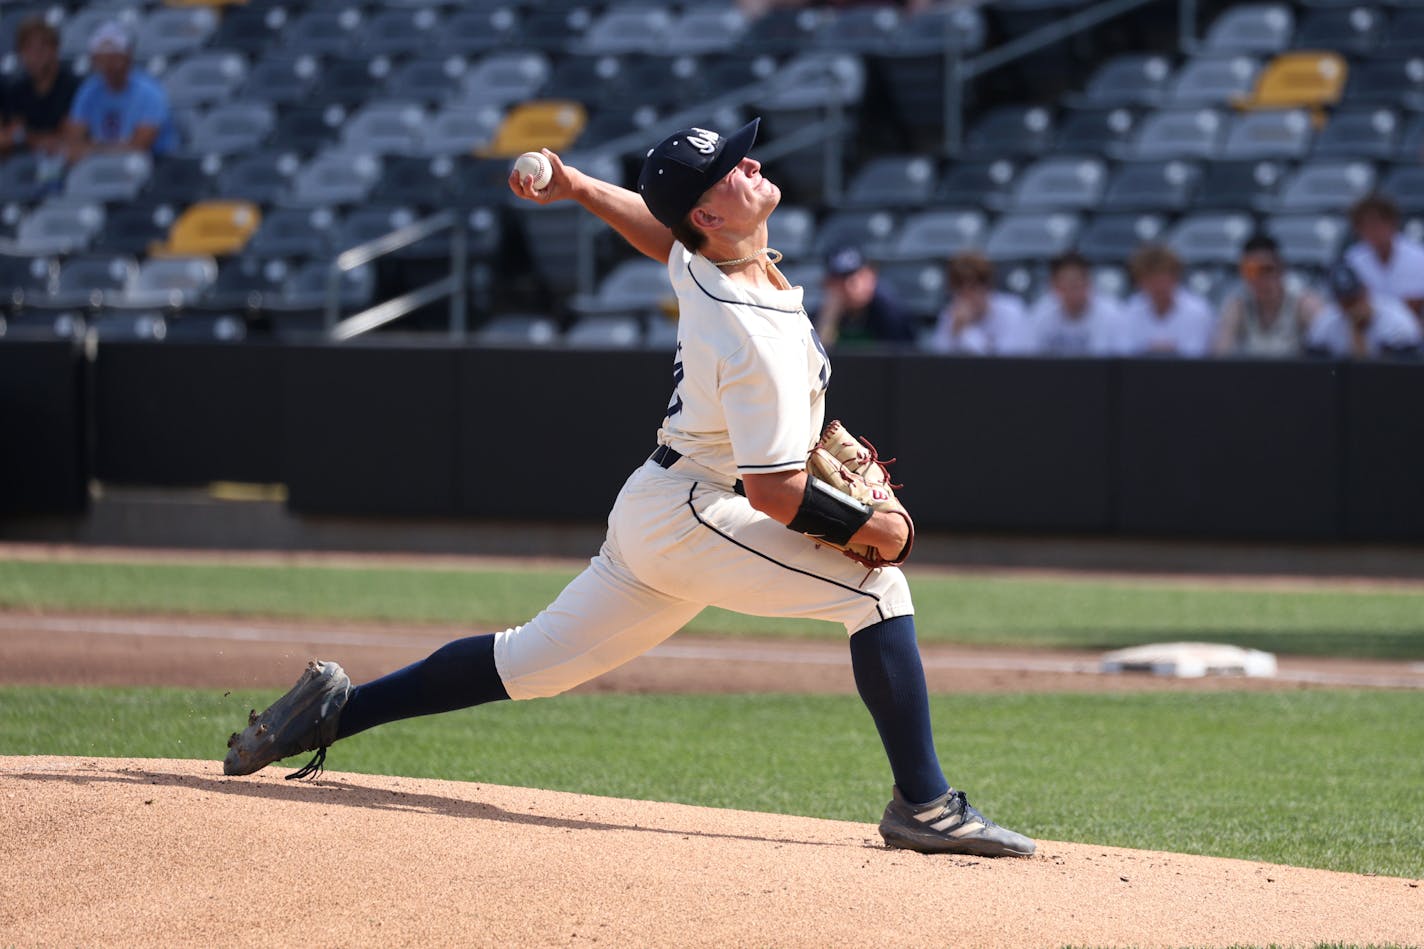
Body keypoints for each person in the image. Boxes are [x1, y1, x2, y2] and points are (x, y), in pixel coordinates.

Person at [222, 118, 1036, 859]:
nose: (750, 162)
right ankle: (924, 805)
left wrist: (576, 185)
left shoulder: (714, 258)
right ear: (712, 218)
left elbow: (663, 235)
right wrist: (877, 529)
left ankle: (336, 709)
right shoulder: (749, 328)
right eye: (727, 169)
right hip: (701, 512)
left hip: (664, 504)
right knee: (878, 588)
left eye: (737, 155)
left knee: (531, 660)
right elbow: (775, 492)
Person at [62, 21, 178, 162]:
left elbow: (138, 148)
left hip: (154, 166)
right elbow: (74, 143)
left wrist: (93, 149)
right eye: (102, 59)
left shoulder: (150, 92)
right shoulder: (89, 91)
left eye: (114, 58)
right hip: (101, 168)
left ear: (127, 57)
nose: (108, 65)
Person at [1212, 235, 1325, 358]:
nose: (1259, 279)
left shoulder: (1303, 303)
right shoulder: (1238, 305)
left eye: (1267, 269)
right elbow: (1219, 356)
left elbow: (1330, 353)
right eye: (1250, 271)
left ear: (1281, 268)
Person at [1114, 244, 1215, 357]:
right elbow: (1124, 356)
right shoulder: (1129, 311)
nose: (1158, 286)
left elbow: (1199, 357)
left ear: (1175, 277)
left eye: (1162, 278)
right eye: (1151, 280)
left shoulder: (1198, 311)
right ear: (1139, 281)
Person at [925, 251, 1034, 355]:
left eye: (973, 288)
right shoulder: (950, 315)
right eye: (959, 289)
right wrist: (956, 329)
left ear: (988, 286)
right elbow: (938, 361)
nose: (966, 296)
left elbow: (1003, 363)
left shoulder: (1012, 311)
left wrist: (966, 331)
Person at [1305, 261, 1421, 359]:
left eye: (1355, 298)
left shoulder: (1396, 320)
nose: (1352, 306)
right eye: (1345, 302)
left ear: (1366, 290)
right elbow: (1314, 370)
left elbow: (1397, 375)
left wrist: (1358, 333)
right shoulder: (1326, 321)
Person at [0, 17, 79, 157]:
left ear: (55, 49)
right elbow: (9, 136)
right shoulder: (16, 90)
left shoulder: (73, 87)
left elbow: (69, 136)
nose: (35, 56)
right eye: (28, 49)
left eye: (42, 48)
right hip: (24, 165)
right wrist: (34, 139)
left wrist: (26, 136)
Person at [812, 244, 916, 347]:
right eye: (841, 280)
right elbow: (817, 358)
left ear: (871, 275)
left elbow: (903, 356)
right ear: (828, 283)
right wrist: (828, 319)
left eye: (857, 277)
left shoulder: (891, 312)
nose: (849, 286)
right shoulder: (823, 314)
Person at [1343, 193, 1424, 321]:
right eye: (1366, 226)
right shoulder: (1352, 260)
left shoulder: (1418, 256)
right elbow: (1352, 305)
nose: (1373, 231)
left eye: (1377, 224)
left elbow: (1415, 305)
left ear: (1392, 223)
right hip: (1367, 328)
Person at [1026, 251, 1124, 356]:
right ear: (1054, 286)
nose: (1073, 290)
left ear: (1089, 283)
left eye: (1078, 283)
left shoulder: (1112, 315)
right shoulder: (1039, 314)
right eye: (1068, 284)